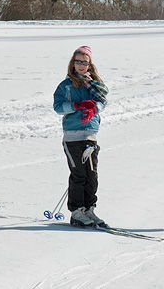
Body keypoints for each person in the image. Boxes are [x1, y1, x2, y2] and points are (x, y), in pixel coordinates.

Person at [53, 45, 109, 227]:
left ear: (90, 65)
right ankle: (77, 212)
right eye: (78, 61)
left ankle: (88, 209)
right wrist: (76, 106)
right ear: (72, 64)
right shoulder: (66, 85)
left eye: (84, 62)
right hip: (73, 135)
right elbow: (58, 107)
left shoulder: (94, 84)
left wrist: (94, 109)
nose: (81, 65)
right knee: (79, 175)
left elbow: (102, 102)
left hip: (91, 134)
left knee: (91, 175)